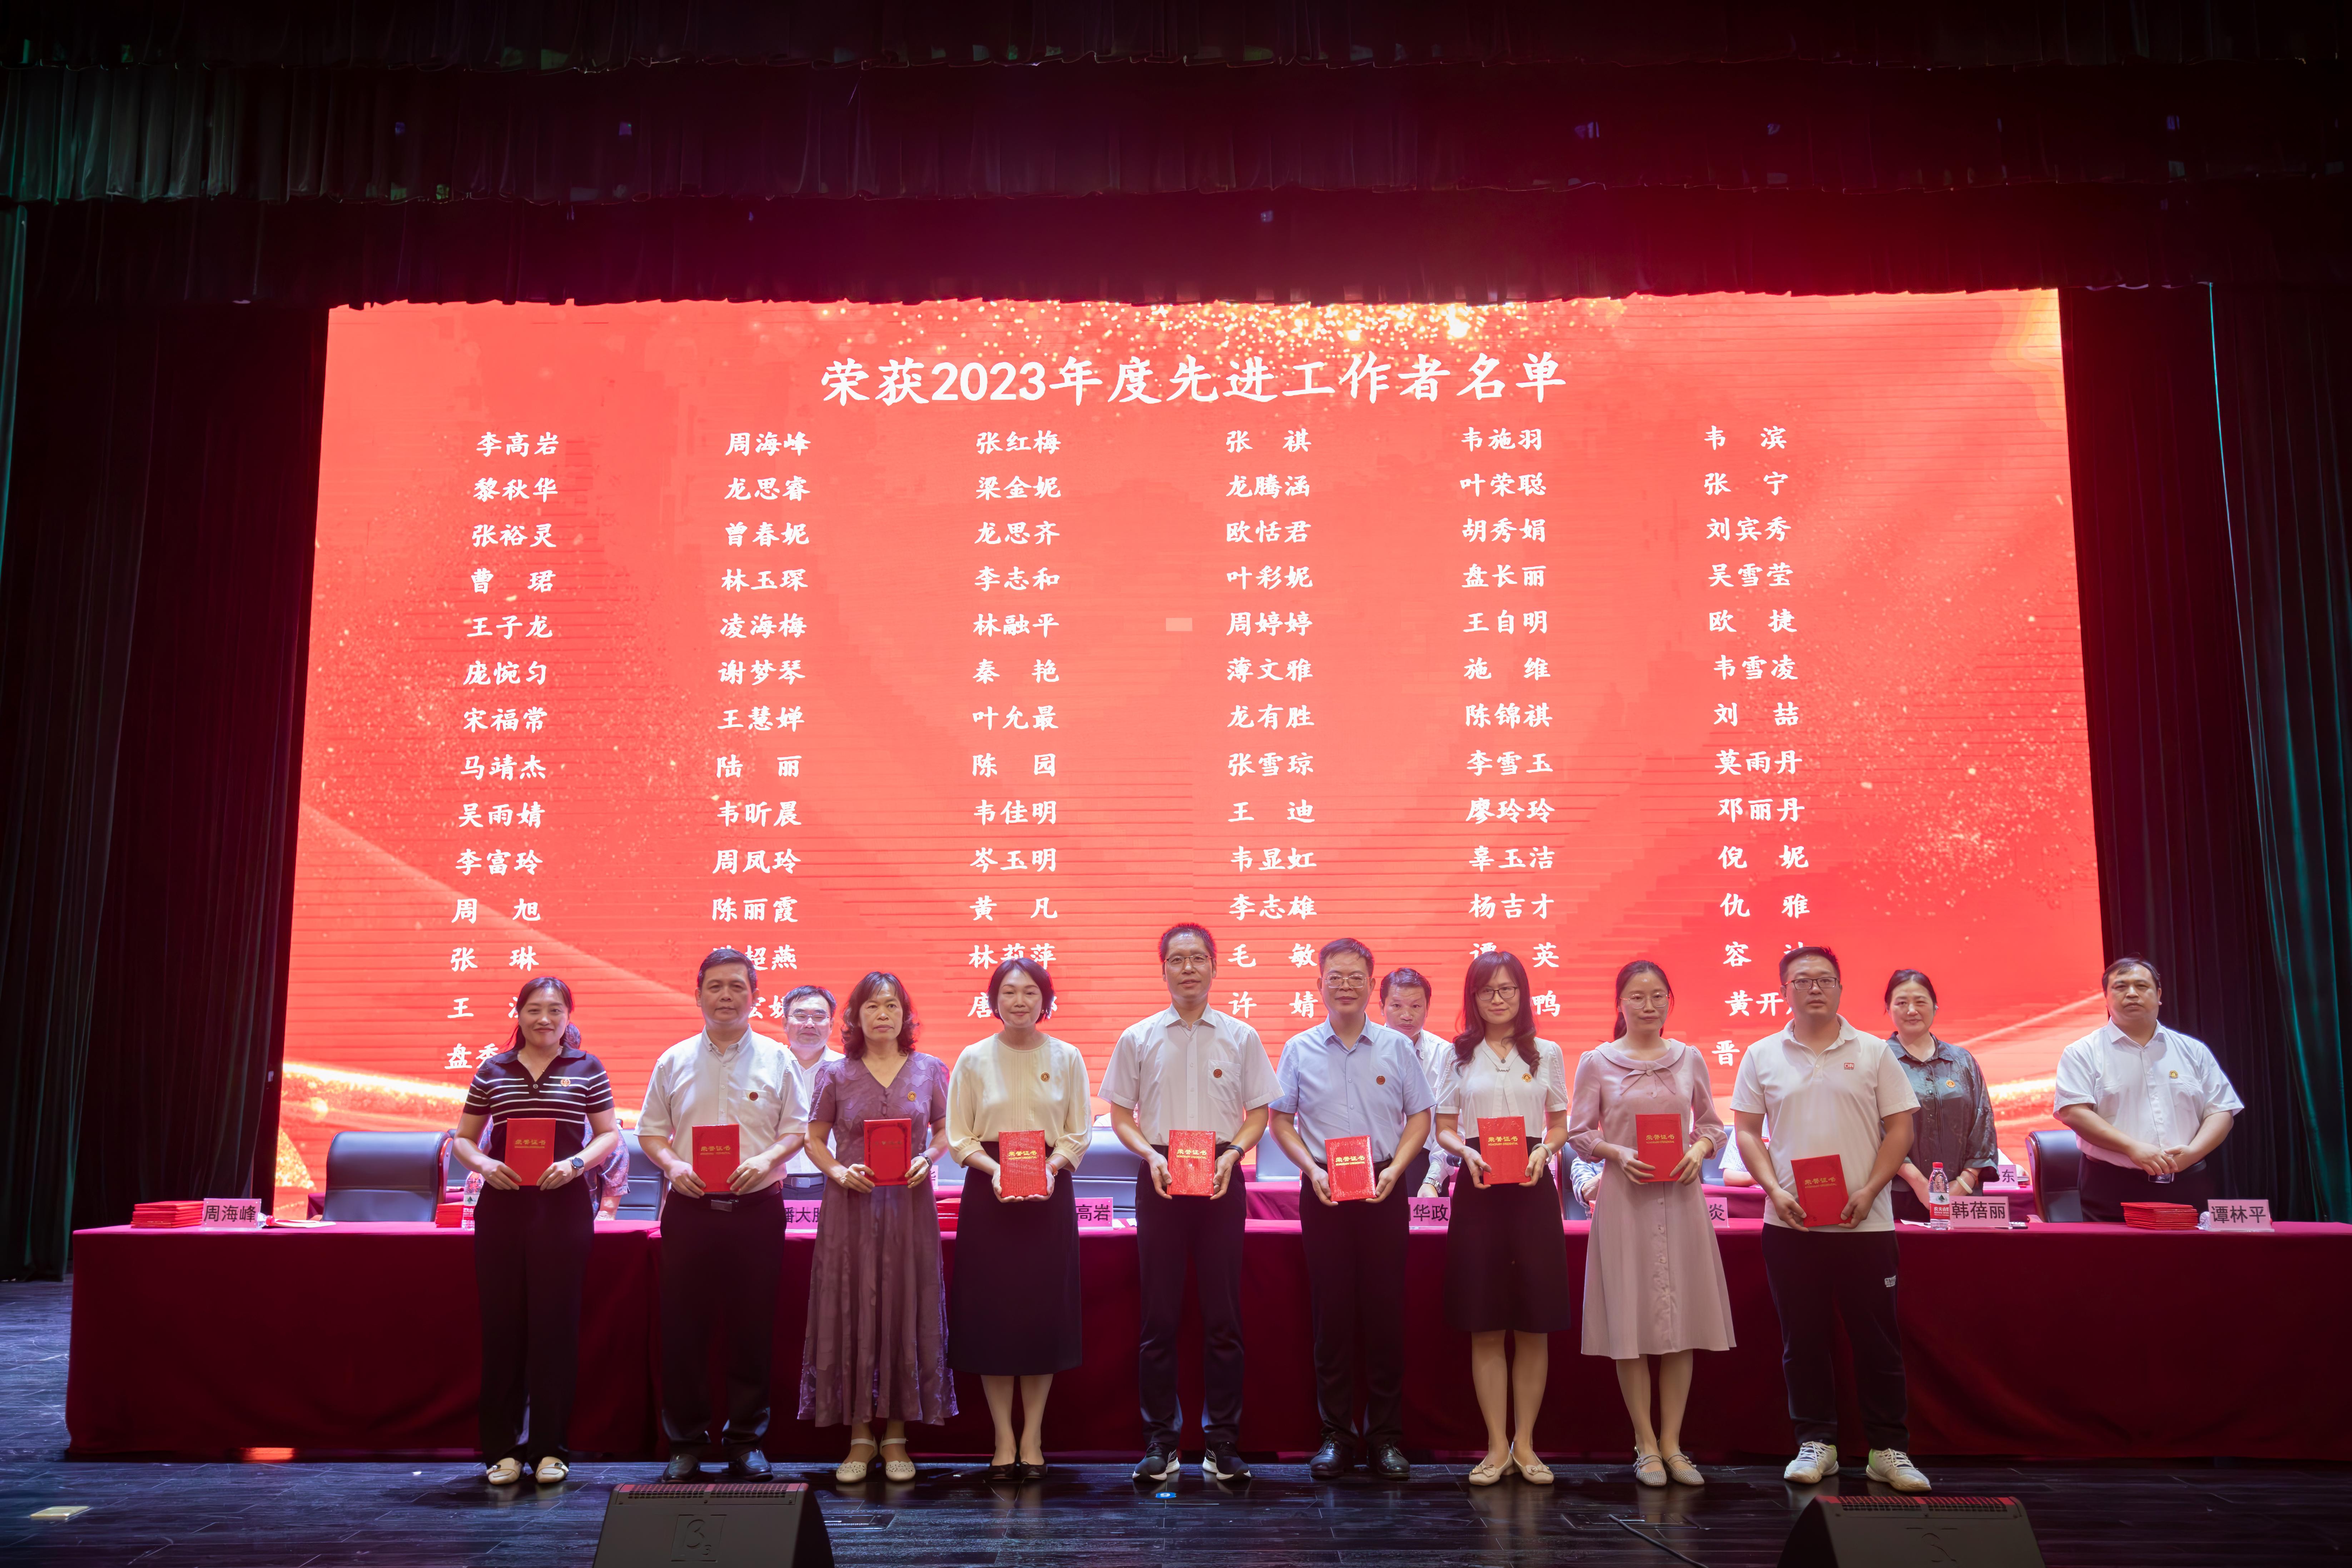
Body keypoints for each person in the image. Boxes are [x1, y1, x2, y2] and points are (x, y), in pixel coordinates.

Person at [1731, 946, 1928, 1494]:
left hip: (1865, 1222)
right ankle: (1815, 1441)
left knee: (1877, 1340)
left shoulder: (1873, 1052)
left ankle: (1887, 1450)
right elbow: (1746, 1131)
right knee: (1803, 1340)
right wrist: (1773, 1190)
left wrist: (1871, 1188)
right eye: (1802, 980)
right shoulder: (1761, 1055)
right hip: (1790, 1224)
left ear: (1840, 988)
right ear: (1784, 991)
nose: (1814, 988)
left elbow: (1900, 1128)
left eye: (1824, 979)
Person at [1103, 923, 1276, 1484]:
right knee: (1159, 1318)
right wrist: (1147, 1156)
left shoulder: (1241, 1037)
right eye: (1177, 960)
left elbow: (1258, 1113)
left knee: (1223, 1318)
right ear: (1163, 970)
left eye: (1198, 958)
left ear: (1214, 967)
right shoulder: (1137, 1038)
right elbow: (1120, 1116)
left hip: (1222, 1175)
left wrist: (1236, 1154)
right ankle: (1161, 1442)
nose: (1188, 969)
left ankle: (1222, 1442)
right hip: (1159, 1176)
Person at [637, 947, 808, 1480]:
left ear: (755, 996)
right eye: (715, 986)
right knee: (683, 1328)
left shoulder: (779, 1059)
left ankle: (745, 1441)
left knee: (751, 1328)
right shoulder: (673, 1060)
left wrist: (766, 1159)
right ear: (698, 995)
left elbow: (797, 1129)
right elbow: (649, 1132)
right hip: (690, 1212)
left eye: (737, 986)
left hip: (757, 1211)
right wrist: (672, 1164)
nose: (726, 996)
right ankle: (686, 1442)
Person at [1269, 937, 1434, 1482]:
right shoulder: (1298, 1049)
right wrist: (1310, 1169)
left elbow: (1420, 1117)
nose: (1345, 986)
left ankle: (1385, 1438)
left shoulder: (1396, 1047)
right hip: (1323, 1191)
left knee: (1385, 1315)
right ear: (1318, 985)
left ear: (1371, 985)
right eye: (1334, 977)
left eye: (1355, 977)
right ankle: (1336, 1436)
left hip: (1383, 1189)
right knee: (1332, 1316)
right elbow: (1280, 1121)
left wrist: (1396, 1170)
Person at [1568, 961, 1734, 1490]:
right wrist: (1616, 1152)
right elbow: (1578, 1132)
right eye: (1637, 996)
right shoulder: (1597, 1061)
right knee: (1631, 1323)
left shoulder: (1689, 1058)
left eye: (1658, 995)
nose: (1648, 1005)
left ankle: (1673, 1444)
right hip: (1625, 1202)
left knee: (1681, 1324)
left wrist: (1700, 1149)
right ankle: (1644, 1443)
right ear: (1620, 1003)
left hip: (1681, 1199)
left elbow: (1713, 1125)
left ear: (1669, 1001)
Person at [453, 976, 621, 1487]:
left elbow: (609, 1134)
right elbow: (463, 1139)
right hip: (503, 1208)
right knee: (503, 1328)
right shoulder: (493, 1069)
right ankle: (502, 1450)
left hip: (563, 1207)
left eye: (554, 1010)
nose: (544, 1019)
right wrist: (484, 1164)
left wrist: (576, 1164)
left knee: (556, 1328)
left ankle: (551, 1449)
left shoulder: (587, 1067)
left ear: (568, 1016)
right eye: (533, 1009)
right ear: (519, 1014)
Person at [800, 972, 954, 1483]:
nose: (882, 1014)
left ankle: (896, 1435)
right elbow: (814, 1138)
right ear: (855, 1017)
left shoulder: (929, 1069)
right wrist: (838, 1170)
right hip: (851, 1209)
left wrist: (929, 1158)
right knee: (853, 1308)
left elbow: (945, 1130)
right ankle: (859, 1436)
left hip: (910, 1208)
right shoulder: (835, 1074)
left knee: (903, 1307)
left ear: (905, 1016)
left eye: (891, 1005)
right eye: (872, 1006)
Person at [1431, 950, 1574, 1487]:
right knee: (1485, 1322)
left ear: (1522, 993)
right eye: (1487, 990)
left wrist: (1547, 1151)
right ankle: (1496, 1446)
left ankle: (1526, 1444)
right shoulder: (1457, 1055)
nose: (1498, 998)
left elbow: (1558, 1123)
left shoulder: (1546, 1052)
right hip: (1479, 1187)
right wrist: (1463, 1152)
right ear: (1473, 997)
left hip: (1533, 1189)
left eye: (1508, 988)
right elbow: (1445, 1126)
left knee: (1534, 1322)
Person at [947, 956, 1092, 1481]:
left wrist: (1050, 1168)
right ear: (994, 1001)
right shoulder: (973, 1058)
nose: (1019, 1001)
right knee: (994, 1318)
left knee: (1039, 1318)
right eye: (1009, 992)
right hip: (989, 1193)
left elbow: (1079, 1131)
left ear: (1045, 1000)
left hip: (1049, 1192)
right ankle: (1002, 1439)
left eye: (1030, 992)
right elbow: (959, 1135)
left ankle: (1032, 1437)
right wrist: (996, 1171)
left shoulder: (1067, 1056)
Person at [2054, 957, 2242, 1222]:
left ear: (2159, 995)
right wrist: (2132, 1148)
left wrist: (2194, 1153)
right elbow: (2073, 1112)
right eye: (2121, 987)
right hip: (2113, 1184)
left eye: (2142, 986)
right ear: (2106, 998)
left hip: (2188, 1182)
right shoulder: (2082, 1052)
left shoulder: (2193, 1050)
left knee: (2190, 1250)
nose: (2132, 993)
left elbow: (2221, 1110)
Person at [1881, 971, 1998, 1223]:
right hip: (1898, 1194)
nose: (1912, 1010)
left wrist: (1965, 1182)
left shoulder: (1962, 1061)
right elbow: (1873, 1128)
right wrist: (1919, 1183)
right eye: (1902, 1003)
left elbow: (1983, 1121)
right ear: (1888, 1009)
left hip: (1964, 1196)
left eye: (1920, 1002)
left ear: (1935, 1006)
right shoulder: (1877, 1060)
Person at [1380, 966, 1454, 1197]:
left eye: (1416, 1006)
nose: (1407, 1015)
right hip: (1376, 1162)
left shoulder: (1446, 1054)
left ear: (1427, 1008)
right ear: (1382, 1007)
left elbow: (1452, 1126)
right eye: (1397, 1006)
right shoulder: (1362, 1051)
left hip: (1427, 1165)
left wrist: (1433, 1179)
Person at [778, 984, 845, 1195]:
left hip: (837, 1183)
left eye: (819, 1017)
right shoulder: (768, 1070)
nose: (809, 1024)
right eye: (800, 1016)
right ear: (785, 1023)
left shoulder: (850, 1071)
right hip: (776, 1186)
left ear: (831, 1024)